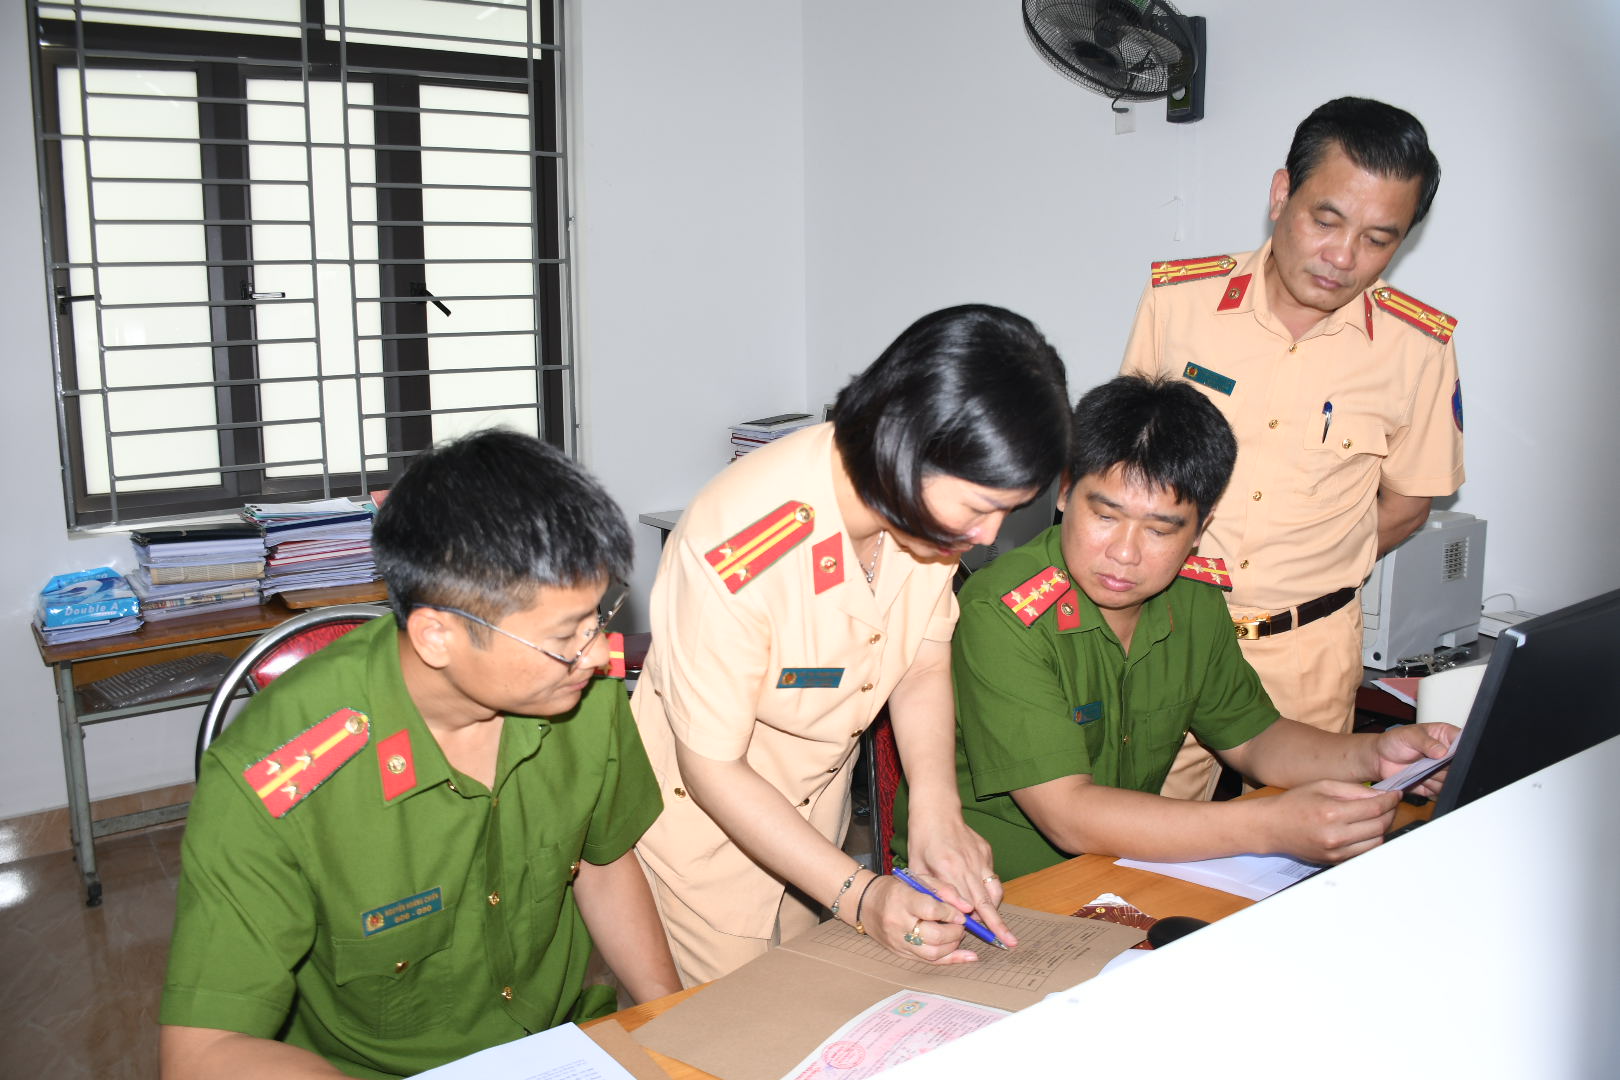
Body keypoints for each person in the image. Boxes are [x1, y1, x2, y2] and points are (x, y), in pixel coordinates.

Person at [159, 431, 680, 1080]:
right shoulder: (275, 780)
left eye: (598, 617)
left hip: (560, 1047)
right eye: (564, 636)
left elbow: (601, 862)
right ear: (437, 635)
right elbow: (203, 1053)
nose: (599, 654)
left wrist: (676, 1030)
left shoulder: (576, 688)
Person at [633, 304, 1071, 984]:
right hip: (708, 843)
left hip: (817, 825)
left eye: (1006, 513)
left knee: (815, 1000)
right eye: (980, 508)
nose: (987, 538)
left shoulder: (920, 519)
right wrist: (862, 897)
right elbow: (714, 767)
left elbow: (921, 660)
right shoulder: (737, 545)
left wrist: (937, 810)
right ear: (907, 445)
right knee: (732, 1024)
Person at [925, 374, 1458, 880]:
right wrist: (1270, 826)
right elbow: (1068, 816)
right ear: (1064, 491)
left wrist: (1375, 755)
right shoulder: (1003, 611)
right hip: (998, 892)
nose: (1125, 553)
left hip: (1119, 872)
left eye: (1160, 530)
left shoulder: (1192, 596)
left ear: (1202, 528)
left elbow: (1254, 738)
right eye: (1106, 517)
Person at [1120, 97, 1465, 802]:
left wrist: (1308, 567)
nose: (1342, 257)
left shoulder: (1418, 349)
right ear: (1282, 195)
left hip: (1309, 651)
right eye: (1325, 220)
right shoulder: (1179, 304)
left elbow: (1407, 505)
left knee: (1298, 843)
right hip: (1171, 629)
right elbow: (1130, 469)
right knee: (1140, 839)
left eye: (1377, 238)